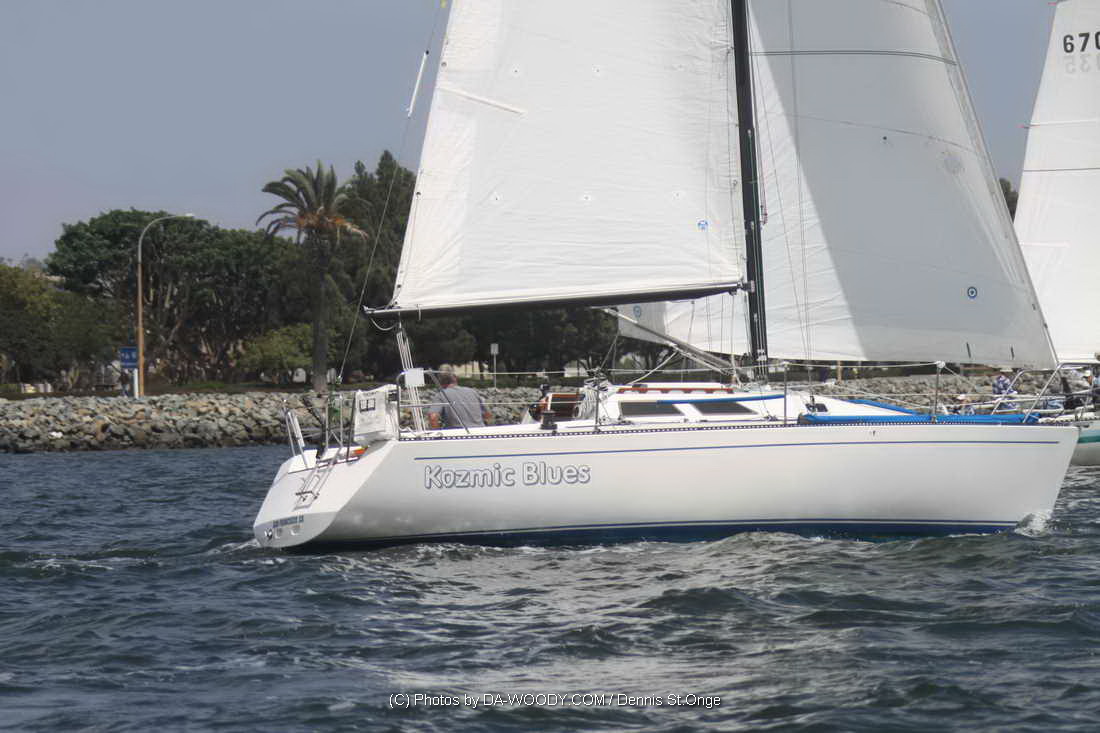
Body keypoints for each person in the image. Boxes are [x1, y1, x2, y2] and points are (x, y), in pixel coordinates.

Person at [427, 372, 493, 429]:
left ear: (439, 383)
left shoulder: (441, 395)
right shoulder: (472, 391)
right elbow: (488, 414)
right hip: (480, 431)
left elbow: (433, 417)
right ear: (455, 379)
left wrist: (437, 432)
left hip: (457, 433)